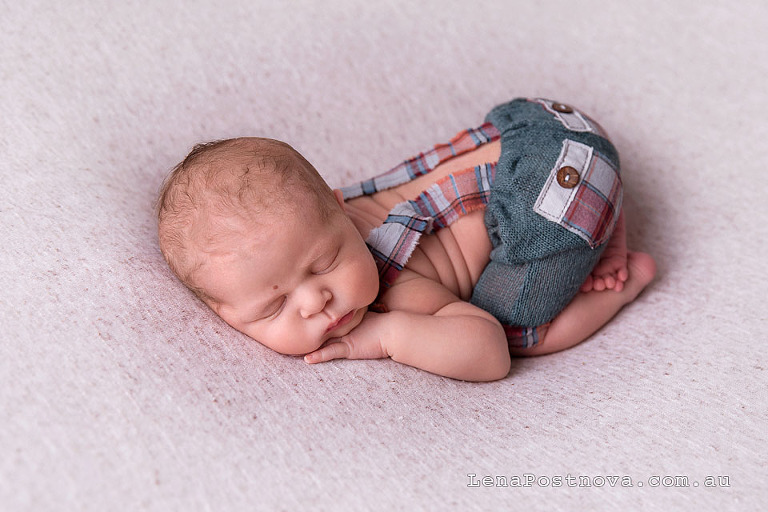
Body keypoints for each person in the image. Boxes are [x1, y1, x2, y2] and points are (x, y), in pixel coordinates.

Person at [156, 98, 656, 382]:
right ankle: (605, 222)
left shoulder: (395, 286)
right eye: (273, 307)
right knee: (550, 197)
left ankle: (624, 278)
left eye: (325, 262)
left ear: (337, 207)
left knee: (516, 331)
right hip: (546, 123)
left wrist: (388, 335)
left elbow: (487, 355)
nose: (315, 300)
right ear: (226, 317)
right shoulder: (312, 210)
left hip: (555, 198)